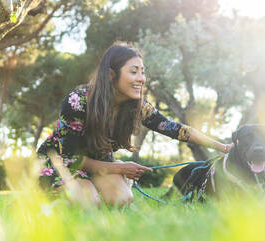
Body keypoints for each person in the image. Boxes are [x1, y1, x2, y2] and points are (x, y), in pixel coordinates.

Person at [37, 42, 232, 207]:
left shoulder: (137, 106)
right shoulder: (77, 102)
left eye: (142, 72)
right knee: (89, 201)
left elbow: (177, 130)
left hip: (100, 165)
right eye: (133, 72)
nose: (141, 78)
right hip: (61, 163)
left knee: (122, 199)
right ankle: (46, 200)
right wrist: (119, 169)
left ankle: (91, 188)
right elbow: (71, 159)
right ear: (112, 75)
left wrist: (222, 147)